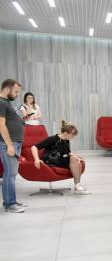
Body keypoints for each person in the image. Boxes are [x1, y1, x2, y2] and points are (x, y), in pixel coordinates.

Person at [31, 121, 90, 195]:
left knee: (78, 159)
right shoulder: (52, 139)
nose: (73, 137)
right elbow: (34, 147)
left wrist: (77, 157)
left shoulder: (66, 140)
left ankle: (77, 185)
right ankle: (77, 186)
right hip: (51, 160)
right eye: (72, 135)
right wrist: (37, 159)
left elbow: (68, 152)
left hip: (60, 160)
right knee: (74, 159)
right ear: (65, 133)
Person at [0, 79, 25, 213]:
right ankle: (10, 204)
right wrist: (9, 145)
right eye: (15, 92)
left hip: (15, 142)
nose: (17, 95)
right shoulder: (0, 102)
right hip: (8, 143)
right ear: (7, 89)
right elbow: (1, 125)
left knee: (11, 174)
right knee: (10, 174)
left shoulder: (6, 102)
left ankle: (11, 201)